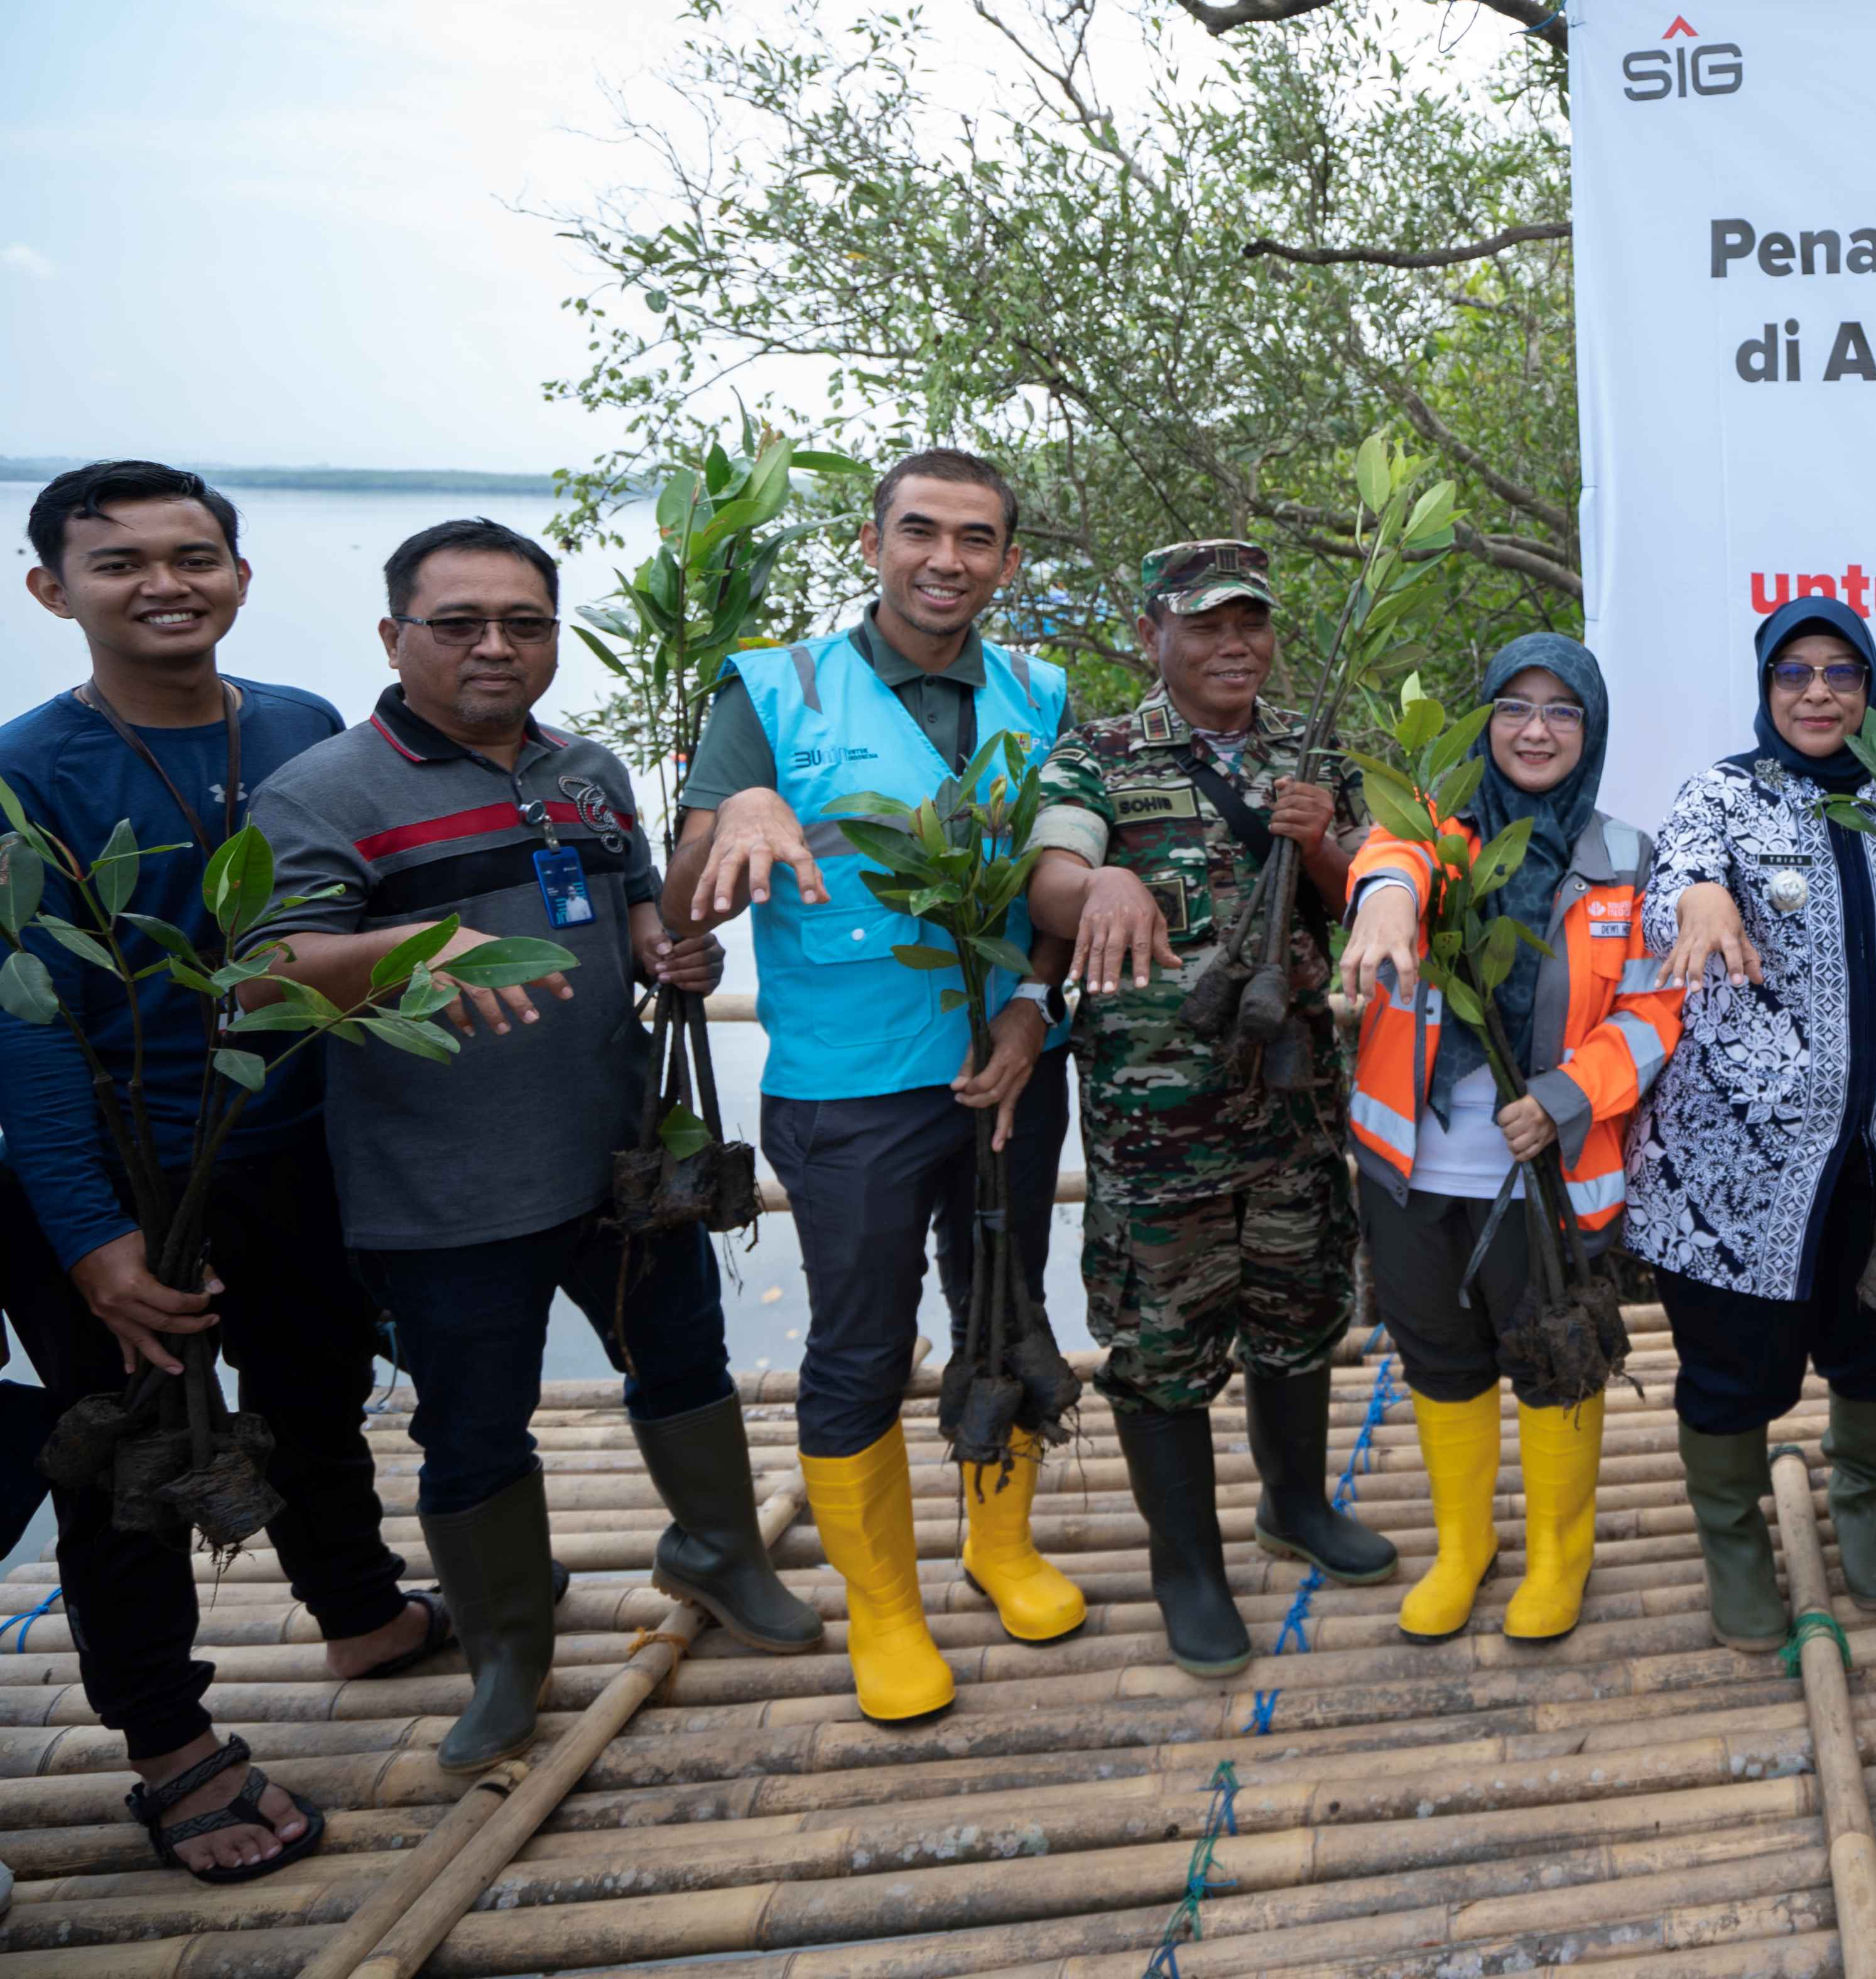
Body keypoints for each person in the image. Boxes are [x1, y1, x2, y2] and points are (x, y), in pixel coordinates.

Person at [247, 519, 818, 1770]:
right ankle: (510, 1650)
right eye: (458, 623)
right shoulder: (325, 789)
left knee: (684, 1362)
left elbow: (620, 912)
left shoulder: (588, 767)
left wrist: (668, 945)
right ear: (394, 635)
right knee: (473, 1427)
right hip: (442, 1188)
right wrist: (410, 950)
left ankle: (718, 1551)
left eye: (524, 621)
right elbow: (262, 978)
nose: (493, 646)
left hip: (618, 1158)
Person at [0, 460, 435, 1882]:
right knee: (125, 1455)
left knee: (317, 1392)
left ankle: (361, 1608)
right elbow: (31, 1022)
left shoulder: (303, 726)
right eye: (121, 562)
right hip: (120, 1171)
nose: (165, 583)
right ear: (52, 590)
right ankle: (169, 1742)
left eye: (194, 556)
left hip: (292, 1142)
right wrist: (86, 1234)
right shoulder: (27, 772)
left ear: (241, 578)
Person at [664, 447, 1082, 1724]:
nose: (945, 559)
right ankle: (887, 1612)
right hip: (851, 1087)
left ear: (1008, 560)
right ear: (871, 540)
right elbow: (686, 894)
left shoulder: (1042, 686)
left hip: (1011, 1057)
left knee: (1007, 1305)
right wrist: (732, 811)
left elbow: (1061, 873)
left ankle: (999, 1546)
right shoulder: (772, 690)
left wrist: (1031, 1002)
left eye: (975, 538)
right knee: (858, 1345)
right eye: (920, 531)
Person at [1019, 541, 1393, 1679]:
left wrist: (1324, 840)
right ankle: (1186, 1564)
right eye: (1206, 625)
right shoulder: (1098, 754)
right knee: (1163, 1343)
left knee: (1298, 1306)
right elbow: (1049, 872)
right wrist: (1105, 883)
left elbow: (1368, 895)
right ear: (1153, 637)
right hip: (1157, 1118)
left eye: (1252, 624)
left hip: (1292, 1104)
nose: (1235, 644)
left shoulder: (1310, 749)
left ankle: (1295, 1506)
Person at [1637, 597, 1876, 1651]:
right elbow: (1678, 881)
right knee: (1733, 1365)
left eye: (1843, 672)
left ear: (1871, 690)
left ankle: (1862, 1506)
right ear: (1766, 688)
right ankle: (1735, 1544)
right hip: (1738, 1160)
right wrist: (1701, 900)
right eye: (1795, 673)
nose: (1820, 692)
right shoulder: (1725, 796)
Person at [1333, 632, 1684, 1648]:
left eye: (1562, 710)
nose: (1536, 730)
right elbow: (1385, 863)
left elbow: (1654, 1013)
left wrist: (1568, 1097)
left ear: (1592, 729)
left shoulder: (1625, 860)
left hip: (1552, 1177)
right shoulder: (1433, 840)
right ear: (1483, 721)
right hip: (1410, 1171)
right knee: (1439, 1359)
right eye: (1515, 708)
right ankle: (1462, 1546)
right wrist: (1390, 896)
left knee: (1556, 1356)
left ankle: (1559, 1560)